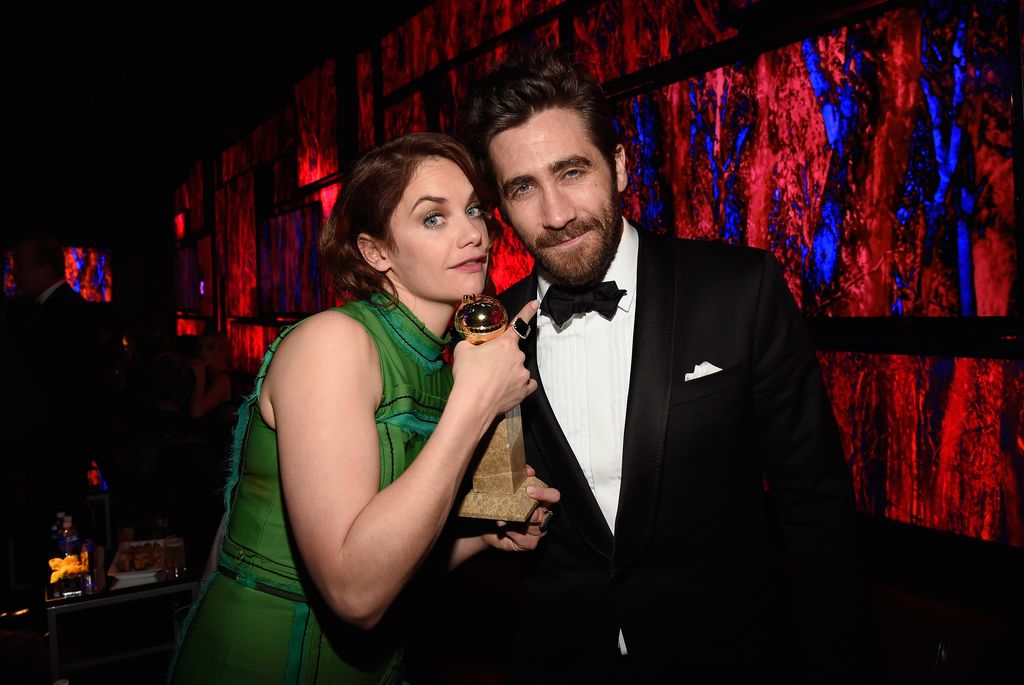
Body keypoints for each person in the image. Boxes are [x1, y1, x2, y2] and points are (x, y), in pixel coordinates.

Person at [460, 47, 872, 682]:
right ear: (502, 206)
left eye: (572, 172)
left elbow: (817, 510)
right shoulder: (489, 337)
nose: (556, 214)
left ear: (619, 165)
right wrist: (502, 515)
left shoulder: (740, 290)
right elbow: (502, 499)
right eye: (523, 188)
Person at [168, 132, 559, 684]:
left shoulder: (442, 364)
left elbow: (390, 560)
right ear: (376, 252)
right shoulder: (334, 343)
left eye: (473, 210)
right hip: (261, 660)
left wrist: (476, 540)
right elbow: (353, 590)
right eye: (433, 218)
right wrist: (475, 403)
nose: (473, 232)